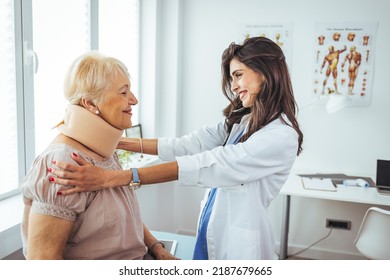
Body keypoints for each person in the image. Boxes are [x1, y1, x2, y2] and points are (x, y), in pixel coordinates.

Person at [49, 36, 304, 260]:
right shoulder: (243, 121)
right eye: (232, 77)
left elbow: (211, 163)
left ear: (266, 72)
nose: (234, 86)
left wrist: (117, 178)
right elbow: (186, 145)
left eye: (238, 75)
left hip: (241, 244)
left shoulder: (280, 136)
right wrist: (115, 141)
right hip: (213, 225)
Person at [21, 52, 176, 260]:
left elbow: (128, 216)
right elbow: (43, 262)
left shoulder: (105, 153)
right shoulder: (63, 164)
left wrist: (157, 248)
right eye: (123, 92)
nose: (134, 100)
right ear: (90, 104)